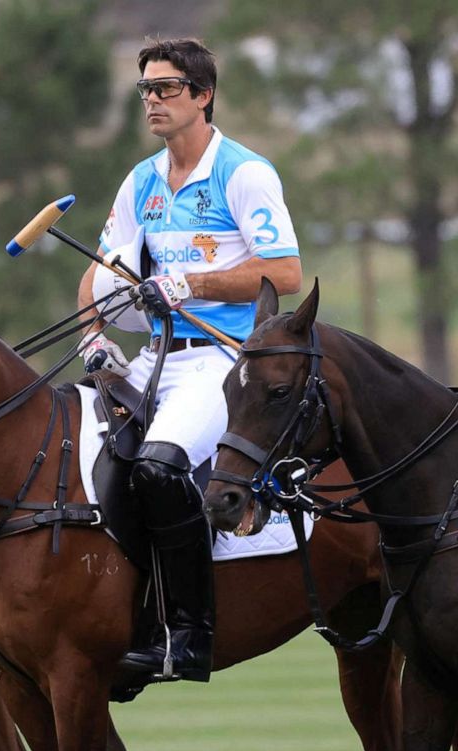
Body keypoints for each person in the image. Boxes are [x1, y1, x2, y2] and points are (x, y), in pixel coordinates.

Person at [78, 38, 301, 683]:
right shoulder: (141, 180)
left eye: (167, 88)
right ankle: (138, 626)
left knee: (158, 468)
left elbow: (285, 272)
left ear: (202, 96)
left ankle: (192, 632)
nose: (152, 100)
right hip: (155, 355)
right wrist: (95, 334)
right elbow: (100, 274)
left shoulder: (243, 172)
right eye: (146, 89)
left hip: (225, 360)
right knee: (102, 472)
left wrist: (193, 283)